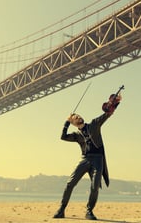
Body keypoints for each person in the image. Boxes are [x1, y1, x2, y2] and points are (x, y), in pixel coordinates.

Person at [53, 92, 122, 220]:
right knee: (70, 183)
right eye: (75, 117)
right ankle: (61, 209)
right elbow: (63, 137)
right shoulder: (76, 135)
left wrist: (116, 102)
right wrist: (66, 122)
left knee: (95, 186)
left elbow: (108, 113)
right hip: (84, 160)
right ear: (73, 122)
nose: (78, 117)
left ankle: (89, 211)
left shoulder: (94, 124)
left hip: (98, 160)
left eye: (79, 116)